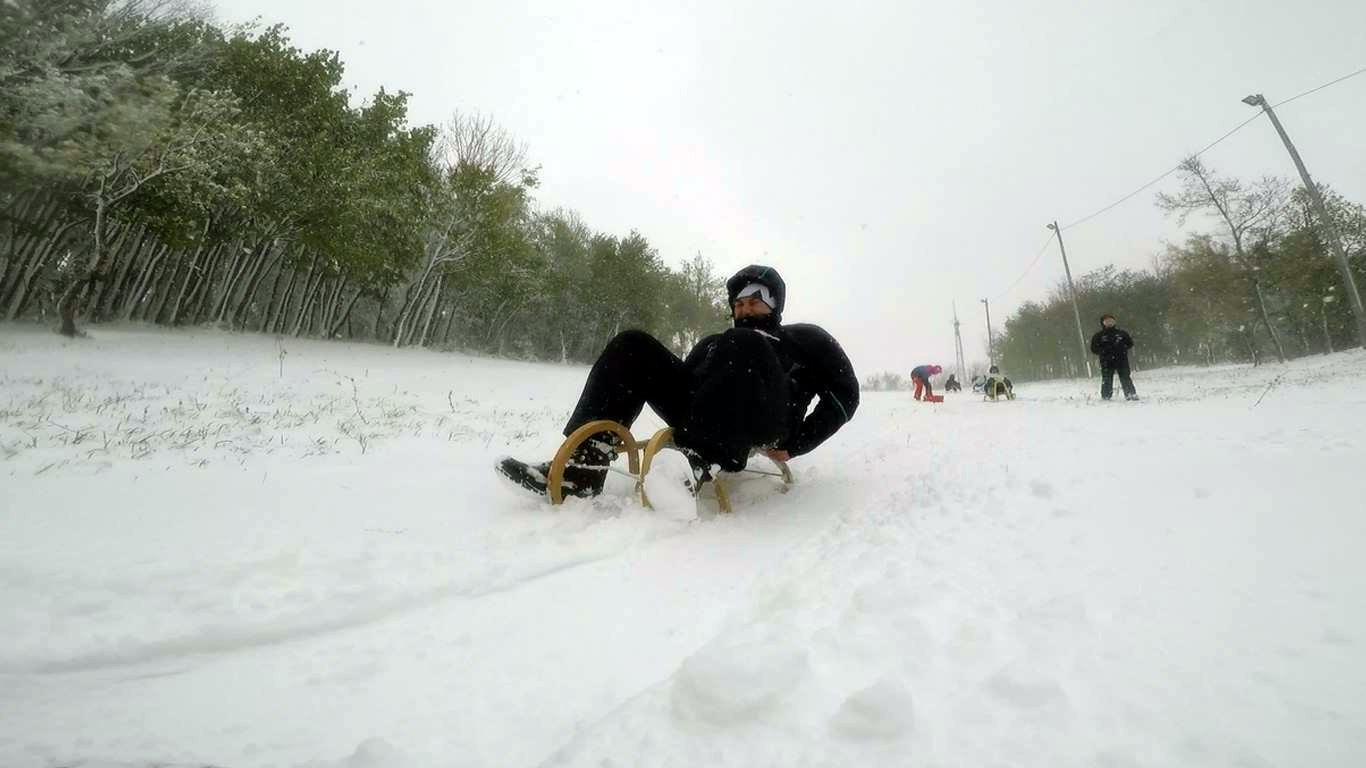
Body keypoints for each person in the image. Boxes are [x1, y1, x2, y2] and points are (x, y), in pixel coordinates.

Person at [496, 265, 859, 499]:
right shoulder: (716, 343)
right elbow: (692, 390)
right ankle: (581, 471)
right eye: (739, 303)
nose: (745, 308)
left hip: (770, 420)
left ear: (775, 304)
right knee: (633, 344)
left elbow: (845, 394)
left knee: (742, 341)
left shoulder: (804, 339)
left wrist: (799, 444)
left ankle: (699, 461)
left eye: (757, 300)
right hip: (711, 415)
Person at [1090, 314, 1139, 401]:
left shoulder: (1121, 333)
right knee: (1107, 378)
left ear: (1114, 322)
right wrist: (1103, 351)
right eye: (1106, 321)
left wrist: (1122, 349)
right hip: (1106, 361)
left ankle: (1131, 394)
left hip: (1121, 360)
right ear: (1103, 323)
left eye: (1111, 321)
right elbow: (1094, 349)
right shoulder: (1099, 336)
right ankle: (1106, 396)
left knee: (1125, 377)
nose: (1109, 323)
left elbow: (1130, 344)